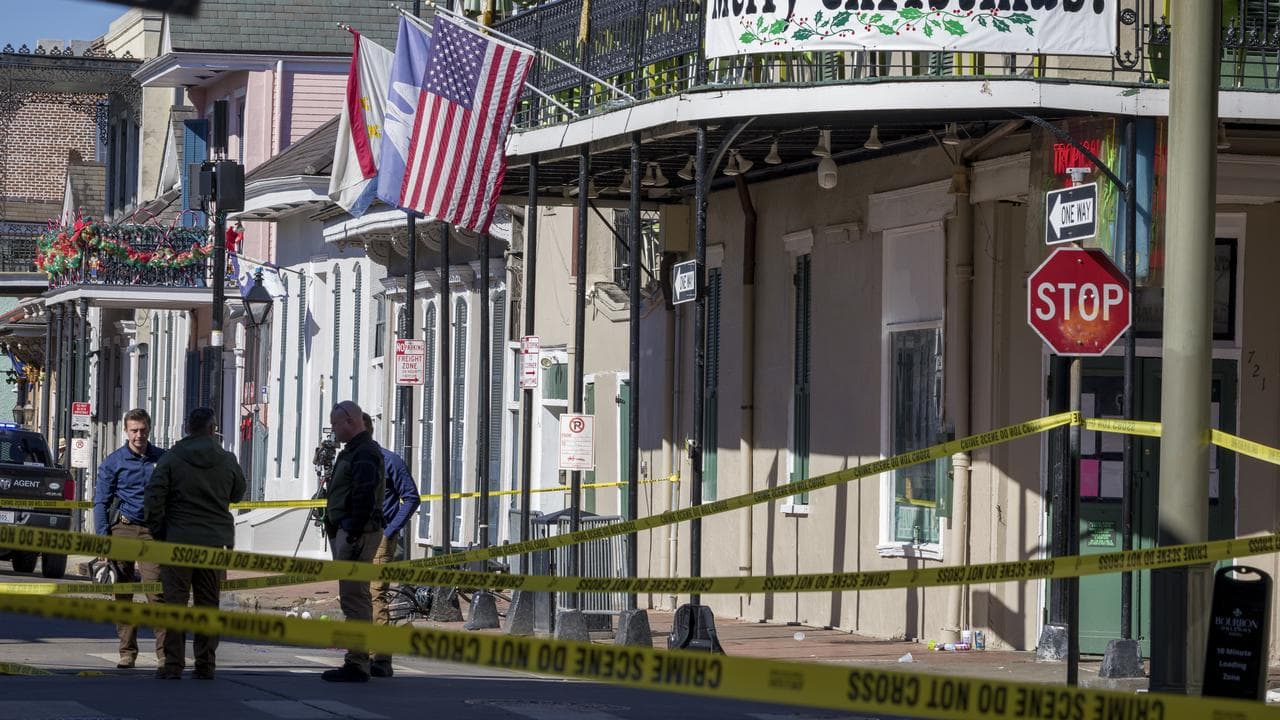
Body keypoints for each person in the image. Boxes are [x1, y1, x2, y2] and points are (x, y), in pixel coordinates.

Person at [144, 407, 245, 680]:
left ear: (188, 427)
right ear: (213, 428)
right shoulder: (227, 460)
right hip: (213, 542)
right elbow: (239, 492)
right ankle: (205, 664)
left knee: (175, 603)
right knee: (207, 605)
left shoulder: (172, 459)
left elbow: (154, 497)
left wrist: (159, 530)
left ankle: (173, 664)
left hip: (177, 540)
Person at [92, 408, 166, 670]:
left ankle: (164, 654)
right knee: (123, 593)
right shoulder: (114, 462)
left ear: (149, 430)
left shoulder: (162, 459)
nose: (139, 435)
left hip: (153, 533)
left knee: (156, 591)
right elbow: (100, 502)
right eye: (134, 430)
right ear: (126, 431)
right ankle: (127, 652)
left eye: (143, 430)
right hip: (122, 530)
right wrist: (102, 539)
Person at [321, 400, 385, 683]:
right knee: (353, 597)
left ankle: (357, 662)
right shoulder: (353, 450)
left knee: (355, 598)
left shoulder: (364, 453)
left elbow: (364, 493)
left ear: (350, 421)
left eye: (336, 424)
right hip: (348, 531)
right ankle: (357, 659)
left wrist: (353, 530)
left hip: (356, 534)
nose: (333, 430)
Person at [362, 412, 421, 678]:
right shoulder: (349, 462)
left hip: (380, 537)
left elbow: (411, 497)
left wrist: (390, 529)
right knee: (356, 595)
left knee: (376, 594)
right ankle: (358, 654)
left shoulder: (390, 461)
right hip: (353, 537)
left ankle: (381, 658)